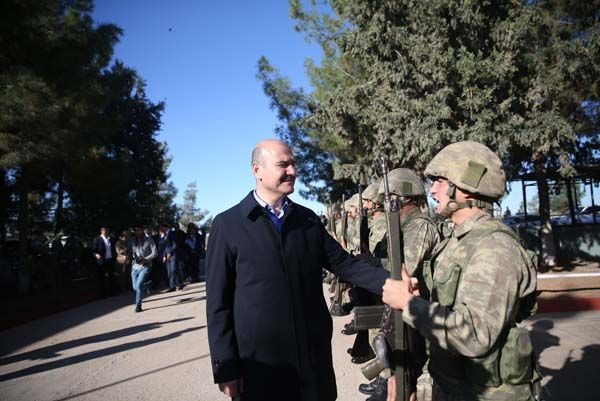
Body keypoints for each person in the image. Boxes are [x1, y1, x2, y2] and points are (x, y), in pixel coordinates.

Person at [206, 138, 389, 401]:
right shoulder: (228, 225)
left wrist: (389, 283)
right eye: (283, 164)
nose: (292, 170)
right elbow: (218, 305)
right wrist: (226, 369)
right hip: (261, 369)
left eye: (293, 164)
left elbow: (345, 264)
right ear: (257, 170)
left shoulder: (307, 220)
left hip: (312, 364)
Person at [382, 141, 537, 401]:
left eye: (440, 181)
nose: (432, 190)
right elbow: (452, 310)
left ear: (466, 188)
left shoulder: (494, 247)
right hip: (456, 386)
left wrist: (408, 305)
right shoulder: (458, 241)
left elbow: (474, 335)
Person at [361, 168, 440, 401]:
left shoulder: (419, 225)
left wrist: (371, 264)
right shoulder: (402, 225)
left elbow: (405, 268)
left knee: (411, 374)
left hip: (418, 309)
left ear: (403, 196)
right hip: (406, 309)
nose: (381, 203)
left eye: (388, 197)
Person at [128, 224, 157, 312]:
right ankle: (147, 285)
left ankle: (138, 305)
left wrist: (146, 259)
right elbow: (128, 249)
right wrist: (126, 251)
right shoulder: (132, 240)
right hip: (135, 267)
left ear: (143, 230)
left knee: (138, 285)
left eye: (139, 230)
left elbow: (155, 253)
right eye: (135, 230)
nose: (137, 232)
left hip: (146, 266)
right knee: (135, 287)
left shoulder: (149, 240)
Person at [92, 226, 117, 297]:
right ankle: (102, 294)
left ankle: (112, 292)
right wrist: (96, 255)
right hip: (102, 261)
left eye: (106, 230)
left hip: (110, 260)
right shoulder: (97, 239)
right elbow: (94, 250)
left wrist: (115, 257)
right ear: (101, 231)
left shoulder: (111, 239)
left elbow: (114, 248)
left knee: (111, 276)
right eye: (103, 230)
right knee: (101, 278)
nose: (105, 231)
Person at [165, 223, 185, 291]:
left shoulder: (176, 233)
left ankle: (179, 284)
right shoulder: (167, 234)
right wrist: (165, 255)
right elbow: (165, 246)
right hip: (170, 255)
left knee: (176, 270)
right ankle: (173, 285)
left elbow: (175, 244)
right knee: (170, 271)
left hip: (176, 254)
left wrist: (170, 253)